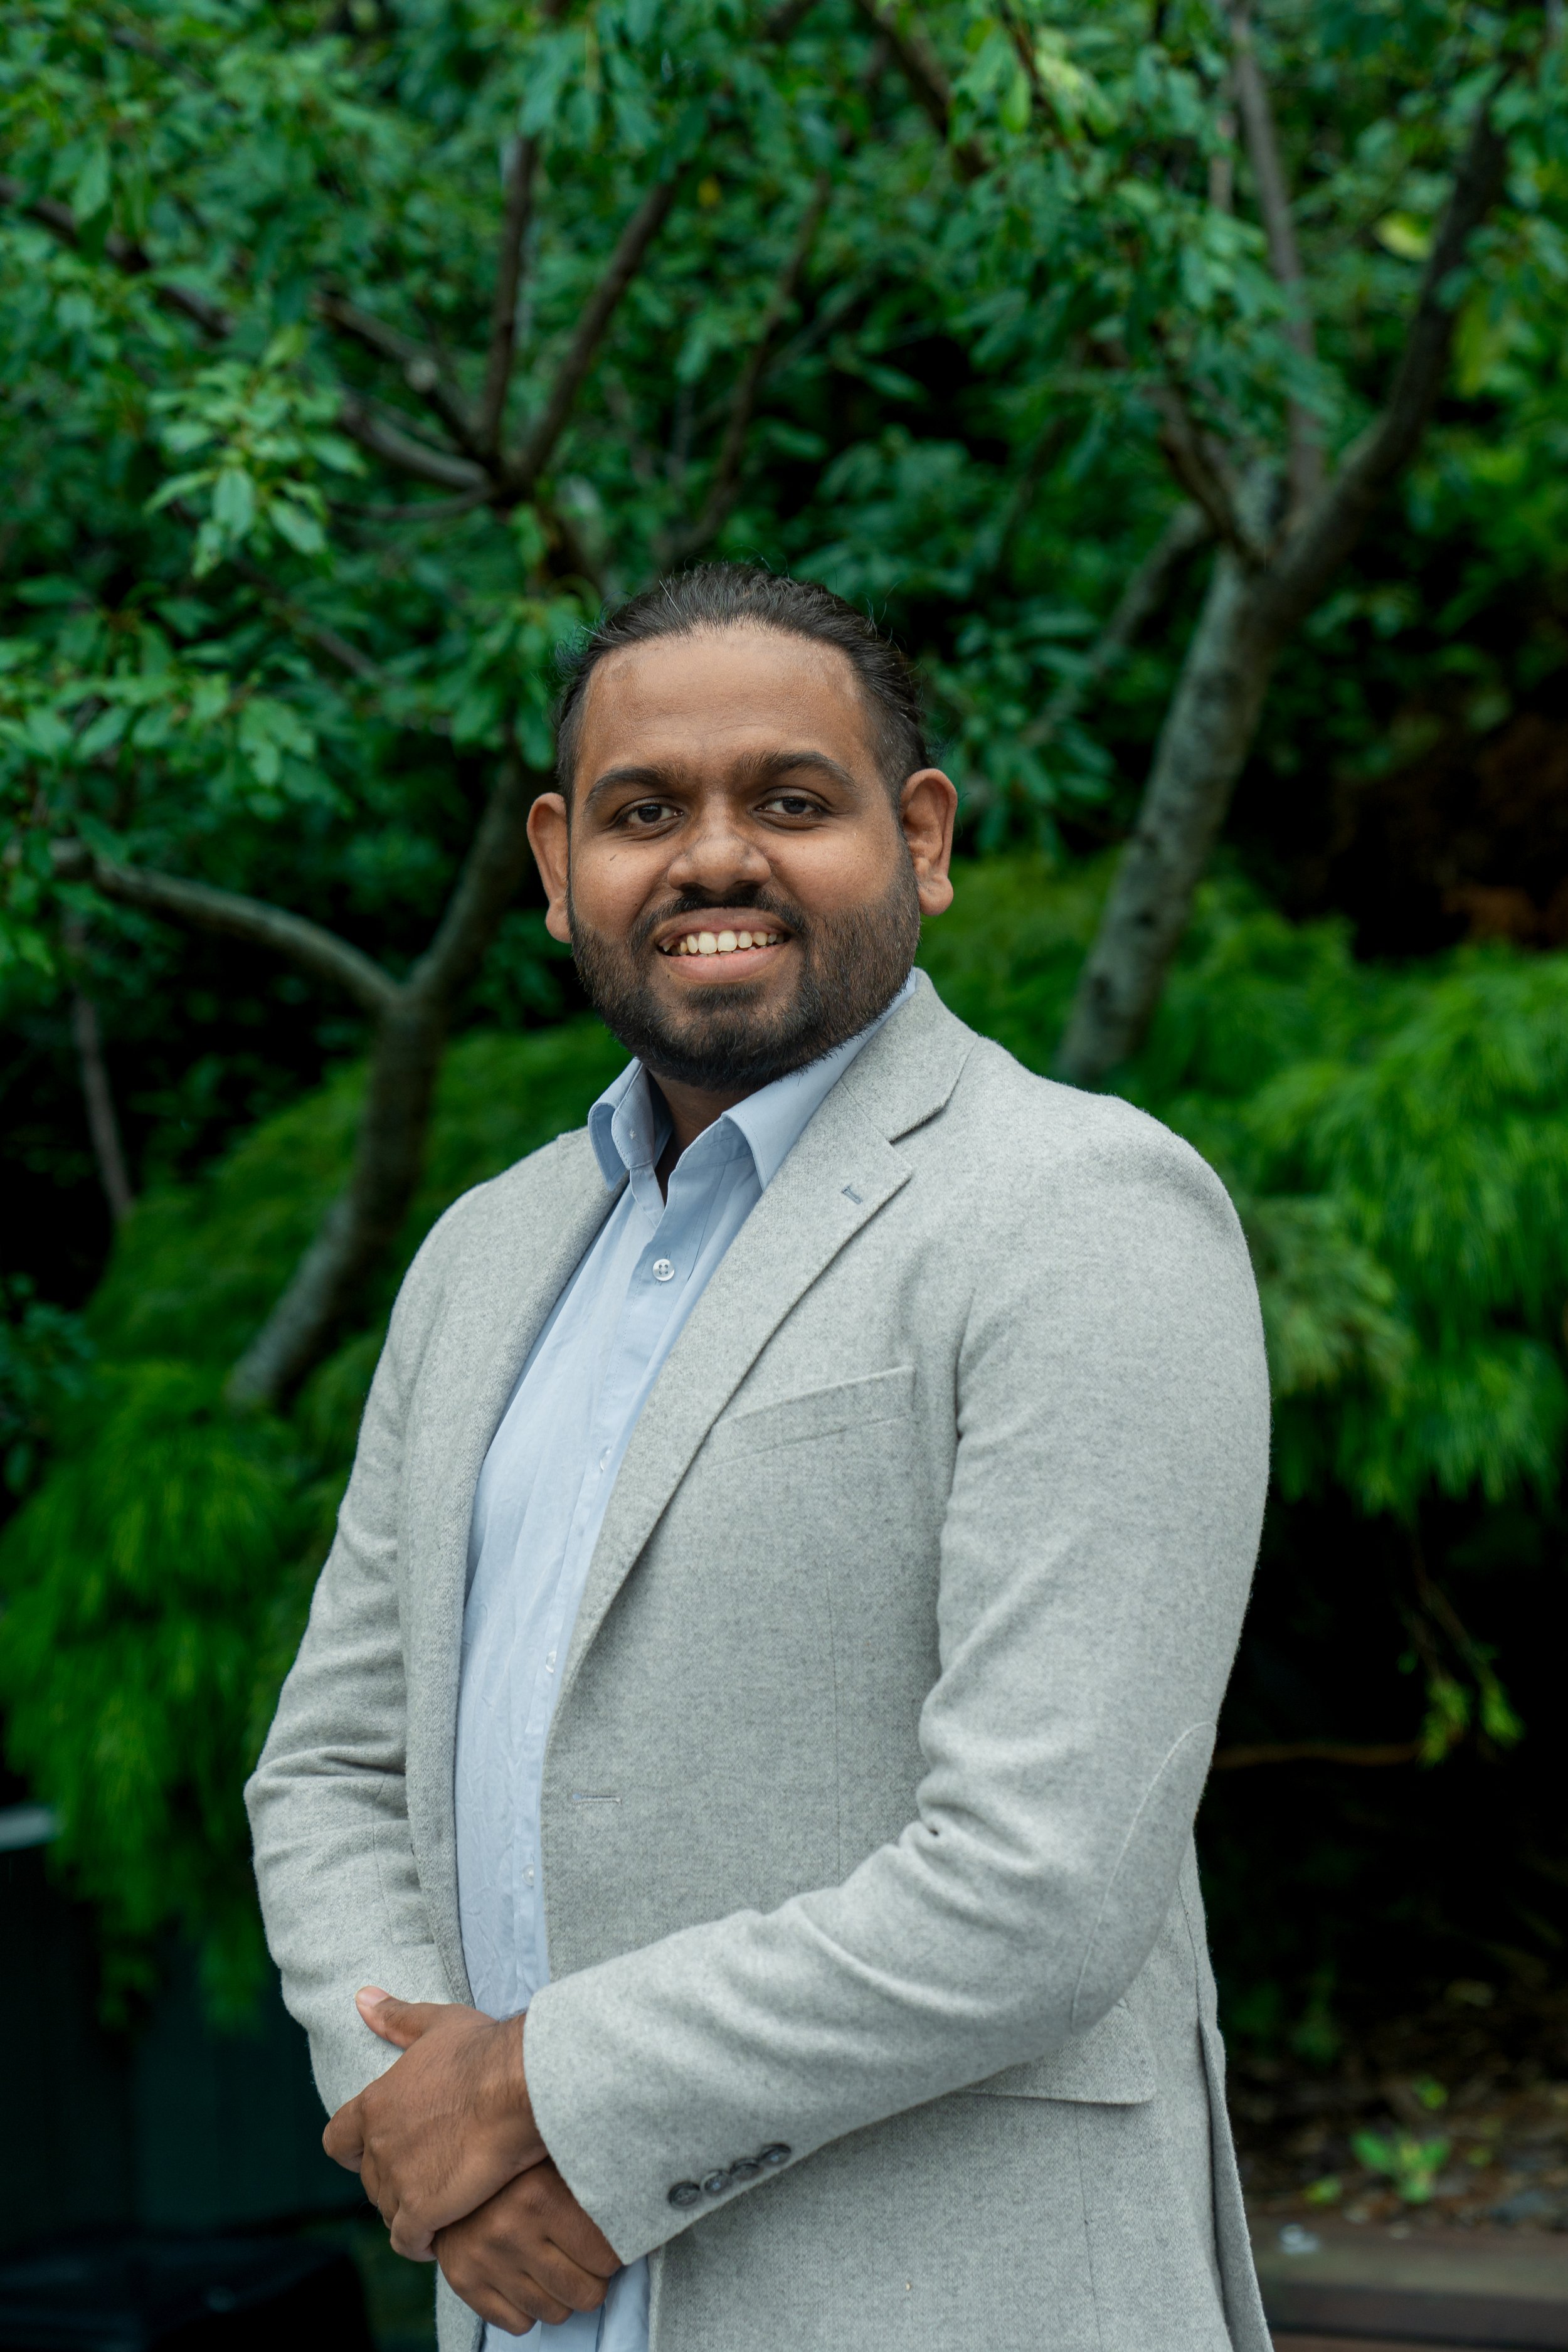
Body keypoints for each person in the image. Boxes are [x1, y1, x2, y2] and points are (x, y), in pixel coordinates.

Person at [246, 563, 1273, 2352]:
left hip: (946, 2298)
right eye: (648, 813)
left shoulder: (1081, 1215)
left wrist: (545, 2101)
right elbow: (331, 1763)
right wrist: (424, 2131)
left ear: (922, 836)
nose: (714, 859)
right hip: (532, 2303)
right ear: (562, 866)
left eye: (789, 802)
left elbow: (1035, 1883)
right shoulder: (483, 1254)